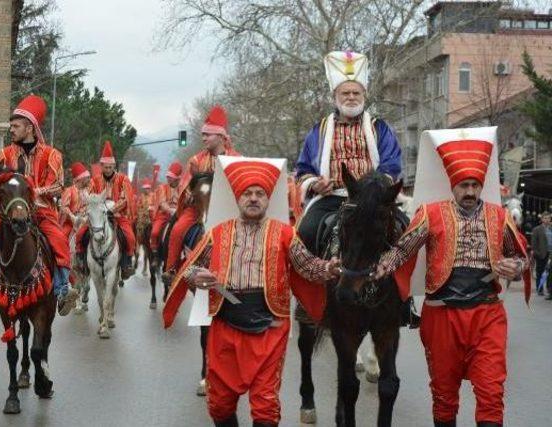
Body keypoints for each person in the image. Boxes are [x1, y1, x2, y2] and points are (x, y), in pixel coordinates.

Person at [163, 159, 342, 427]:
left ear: (268, 200)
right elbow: (188, 270)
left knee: (265, 406)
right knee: (220, 404)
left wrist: (329, 268)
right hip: (225, 325)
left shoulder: (285, 233)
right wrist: (196, 277)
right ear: (238, 198)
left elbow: (308, 267)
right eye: (248, 193)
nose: (254, 199)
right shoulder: (217, 233)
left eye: (260, 194)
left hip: (270, 327)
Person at [374, 136, 530, 427]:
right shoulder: (430, 214)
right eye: (464, 186)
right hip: (442, 316)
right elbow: (402, 249)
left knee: (491, 392)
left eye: (475, 185)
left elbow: (521, 257)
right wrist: (382, 267)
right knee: (444, 395)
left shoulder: (500, 216)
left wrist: (516, 266)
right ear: (453, 185)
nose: (470, 192)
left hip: (488, 315)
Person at [0, 94, 79, 318]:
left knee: (60, 240)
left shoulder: (53, 155)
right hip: (7, 213)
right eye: (11, 126)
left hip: (41, 211)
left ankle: (63, 290)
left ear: (30, 127)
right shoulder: (3, 155)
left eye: (15, 126)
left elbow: (57, 186)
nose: (11, 130)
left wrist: (31, 193)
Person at [295, 50, 402, 251]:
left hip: (373, 201)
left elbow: (392, 164)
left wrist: (377, 188)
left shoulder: (380, 128)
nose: (351, 97)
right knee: (304, 233)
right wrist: (315, 185)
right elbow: (303, 169)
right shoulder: (319, 130)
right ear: (334, 96)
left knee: (404, 230)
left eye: (356, 93)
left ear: (364, 95)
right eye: (345, 93)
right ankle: (318, 279)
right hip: (332, 197)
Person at [164, 105, 241, 276]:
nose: (204, 138)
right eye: (203, 134)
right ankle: (171, 270)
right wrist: (193, 192)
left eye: (208, 134)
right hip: (198, 209)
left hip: (228, 210)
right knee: (177, 230)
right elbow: (185, 186)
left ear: (221, 136)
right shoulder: (195, 160)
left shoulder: (236, 159)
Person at [75, 141, 137, 279]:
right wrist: (88, 210)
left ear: (114, 166)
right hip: (97, 215)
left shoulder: (123, 179)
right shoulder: (94, 181)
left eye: (110, 167)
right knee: (80, 234)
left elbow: (126, 199)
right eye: (105, 167)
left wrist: (112, 209)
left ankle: (126, 264)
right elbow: (89, 198)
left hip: (117, 214)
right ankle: (81, 261)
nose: (108, 170)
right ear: (101, 166)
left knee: (130, 237)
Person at [150, 162, 182, 255]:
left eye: (170, 177)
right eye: (168, 176)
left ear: (177, 179)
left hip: (179, 215)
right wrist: (170, 210)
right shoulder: (162, 188)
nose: (168, 178)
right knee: (155, 232)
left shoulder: (183, 188)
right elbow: (162, 203)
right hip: (164, 215)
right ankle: (155, 253)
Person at [60, 162, 91, 241]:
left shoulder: (87, 191)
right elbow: (64, 207)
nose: (89, 179)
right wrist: (73, 217)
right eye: (87, 178)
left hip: (85, 222)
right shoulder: (69, 191)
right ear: (80, 179)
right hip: (70, 223)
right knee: (62, 238)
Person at [531, 211, 552, 298]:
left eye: (548, 218)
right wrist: (537, 253)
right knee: (540, 272)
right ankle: (540, 289)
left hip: (550, 254)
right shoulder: (537, 229)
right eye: (545, 218)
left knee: (549, 273)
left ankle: (549, 289)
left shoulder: (551, 228)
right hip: (541, 254)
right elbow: (534, 243)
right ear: (542, 219)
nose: (547, 220)